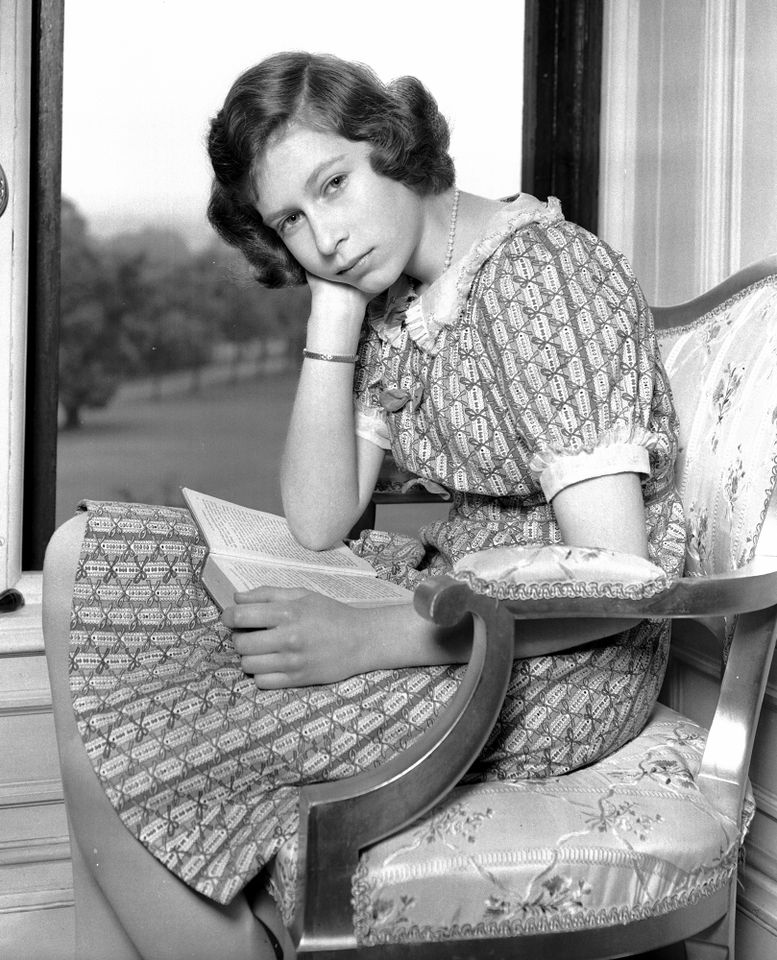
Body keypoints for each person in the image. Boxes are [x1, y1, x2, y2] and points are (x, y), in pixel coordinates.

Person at [42, 51, 685, 960]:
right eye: (292, 221)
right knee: (79, 556)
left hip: (560, 659)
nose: (326, 238)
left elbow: (612, 584)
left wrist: (371, 635)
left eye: (334, 184)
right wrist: (331, 319)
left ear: (391, 144)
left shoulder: (543, 278)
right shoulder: (397, 301)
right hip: (452, 603)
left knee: (161, 736)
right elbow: (318, 518)